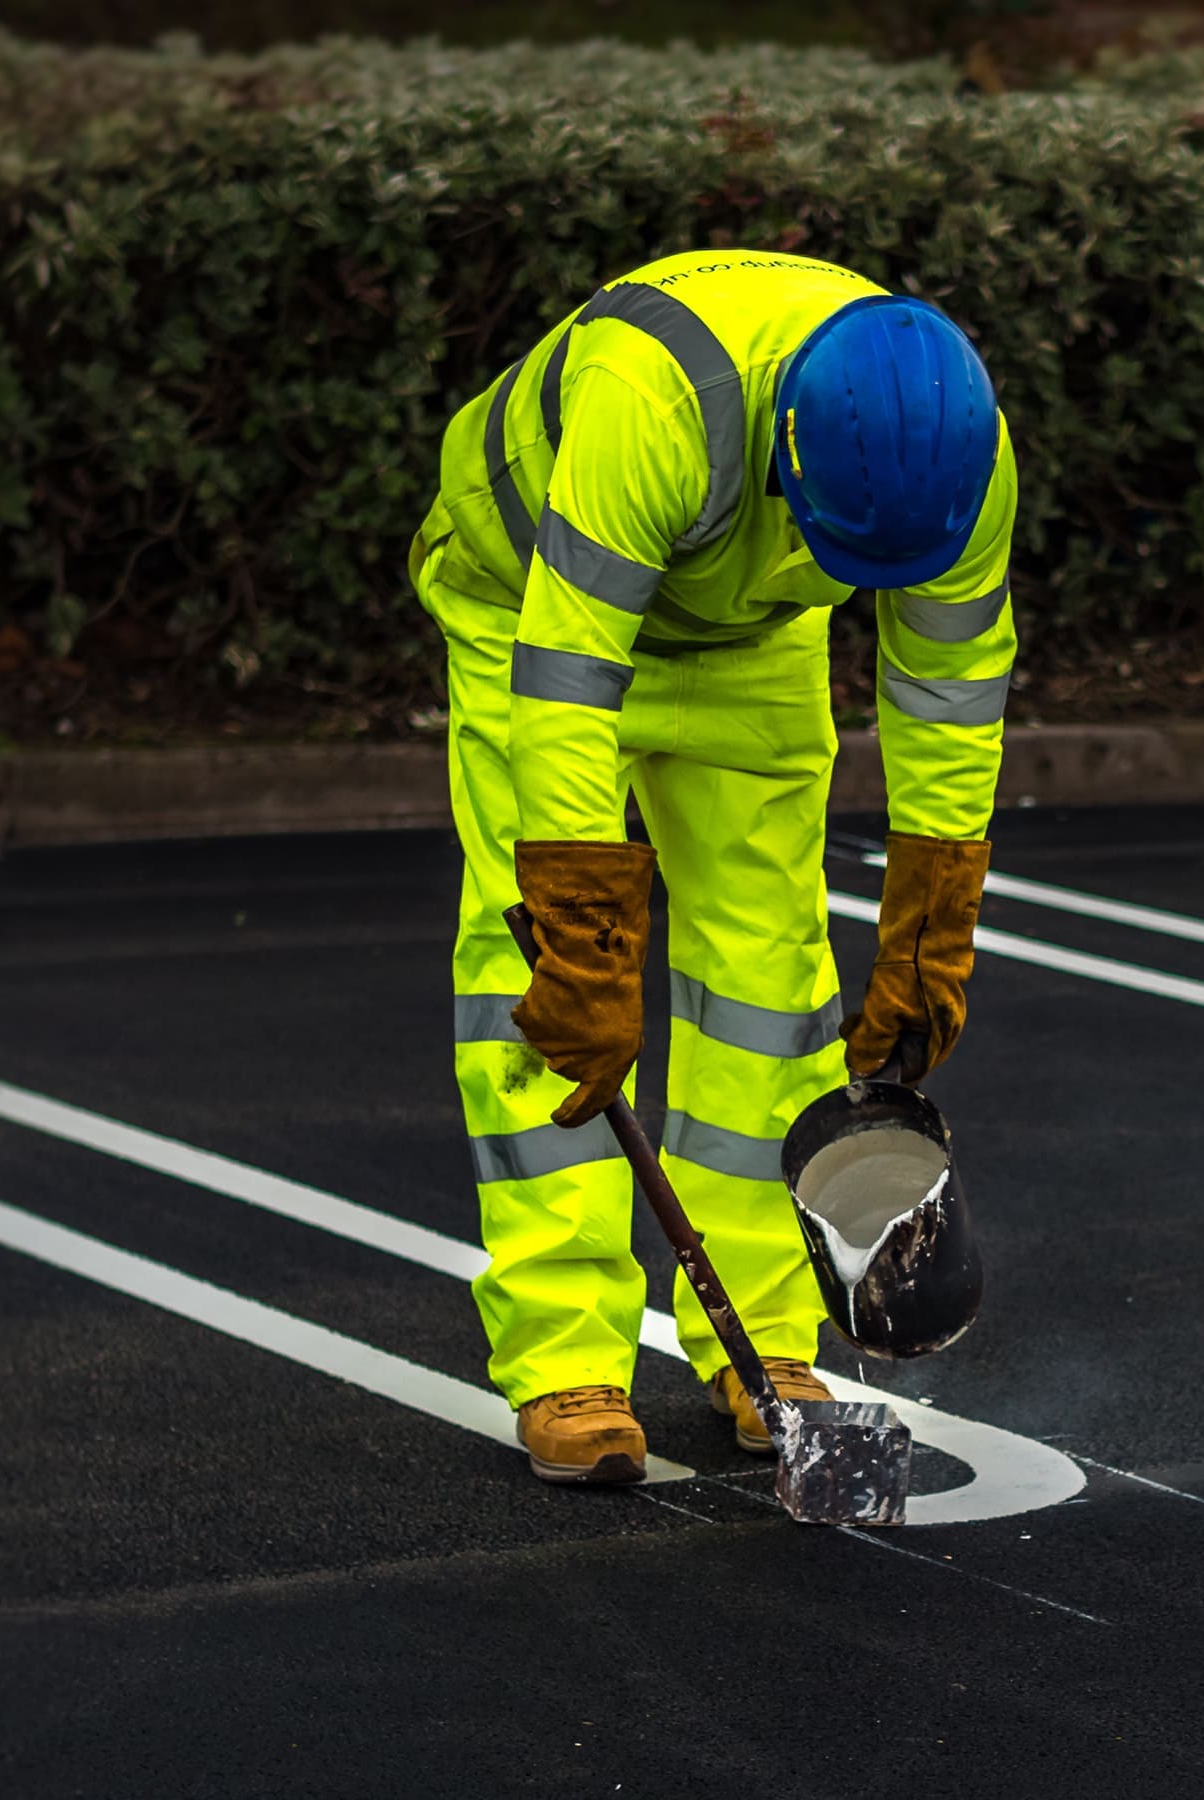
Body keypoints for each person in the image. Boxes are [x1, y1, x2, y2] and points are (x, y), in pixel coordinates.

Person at [410, 249, 1016, 1484]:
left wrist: (929, 925)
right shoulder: (658, 400)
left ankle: (763, 1342)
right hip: (531, 598)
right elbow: (569, 683)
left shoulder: (963, 460)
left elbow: (948, 696)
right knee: (535, 976)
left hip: (746, 631)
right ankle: (567, 1355)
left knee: (769, 981)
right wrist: (581, 938)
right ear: (790, 448)